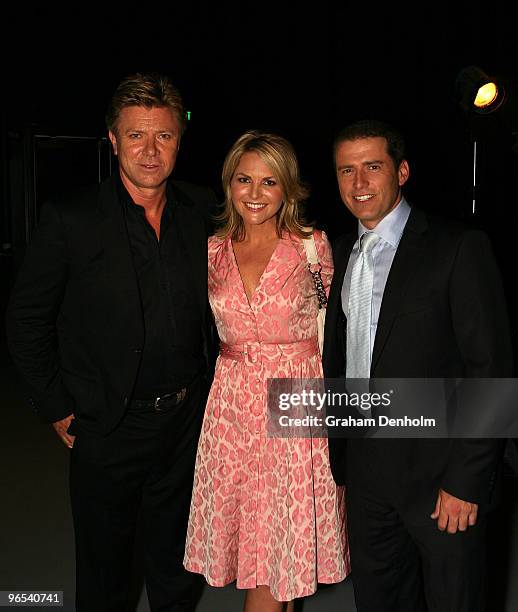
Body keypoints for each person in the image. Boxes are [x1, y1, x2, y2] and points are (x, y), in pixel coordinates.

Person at [6, 73, 217, 612]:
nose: (150, 150)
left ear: (179, 140)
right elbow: (27, 321)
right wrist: (55, 406)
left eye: (164, 136)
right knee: (106, 576)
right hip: (107, 427)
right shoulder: (69, 219)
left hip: (187, 426)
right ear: (113, 140)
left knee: (176, 567)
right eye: (136, 135)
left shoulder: (206, 213)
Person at [322, 119, 514, 611]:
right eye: (347, 170)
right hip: (365, 474)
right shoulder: (339, 253)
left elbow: (489, 371)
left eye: (372, 167)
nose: (358, 183)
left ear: (401, 171)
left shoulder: (457, 247)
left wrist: (466, 482)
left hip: (440, 478)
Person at [183, 131, 350, 611]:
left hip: (295, 406)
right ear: (228, 183)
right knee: (269, 559)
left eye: (269, 181)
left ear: (288, 188)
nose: (255, 193)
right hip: (231, 410)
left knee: (281, 557)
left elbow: (337, 333)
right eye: (244, 179)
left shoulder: (312, 248)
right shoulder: (212, 250)